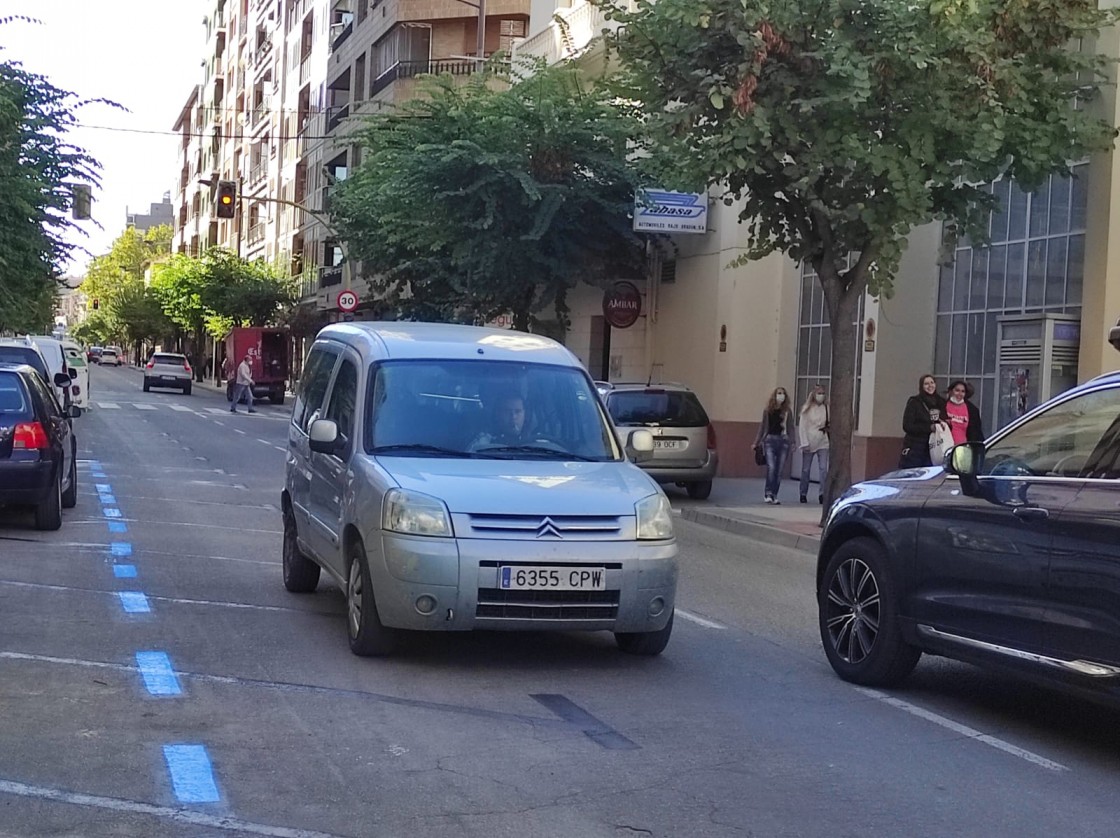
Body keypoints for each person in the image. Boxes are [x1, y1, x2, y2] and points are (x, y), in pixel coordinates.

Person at [753, 386, 795, 504]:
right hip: (770, 440)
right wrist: (756, 442)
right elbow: (763, 427)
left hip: (783, 441)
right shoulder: (768, 410)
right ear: (774, 396)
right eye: (779, 393)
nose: (781, 396)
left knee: (779, 470)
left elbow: (791, 427)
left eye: (783, 394)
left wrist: (793, 442)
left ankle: (775, 494)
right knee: (771, 467)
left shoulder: (787, 411)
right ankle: (768, 493)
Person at [899, 374, 948, 468]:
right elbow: (907, 426)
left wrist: (945, 424)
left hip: (934, 447)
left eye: (932, 383)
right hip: (916, 448)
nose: (930, 386)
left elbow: (944, 419)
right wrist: (929, 428)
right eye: (926, 384)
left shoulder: (941, 402)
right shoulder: (915, 402)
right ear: (921, 386)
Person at [798, 384, 830, 505]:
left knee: (823, 469)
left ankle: (822, 493)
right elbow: (802, 426)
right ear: (813, 394)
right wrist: (804, 442)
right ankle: (803, 493)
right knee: (806, 470)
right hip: (810, 441)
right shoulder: (807, 408)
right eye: (818, 393)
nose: (821, 396)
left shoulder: (827, 408)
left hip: (823, 441)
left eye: (822, 393)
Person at [945, 379, 984, 446]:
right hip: (944, 447)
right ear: (951, 391)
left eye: (963, 391)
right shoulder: (942, 406)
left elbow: (976, 434)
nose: (959, 394)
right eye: (957, 390)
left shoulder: (972, 410)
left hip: (964, 448)